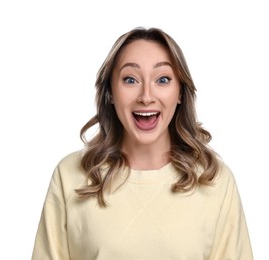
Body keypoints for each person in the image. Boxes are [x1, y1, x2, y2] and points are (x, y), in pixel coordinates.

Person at [32, 27, 253, 260]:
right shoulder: (69, 175)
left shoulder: (215, 180)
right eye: (130, 79)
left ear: (180, 92)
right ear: (110, 92)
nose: (146, 96)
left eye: (163, 79)